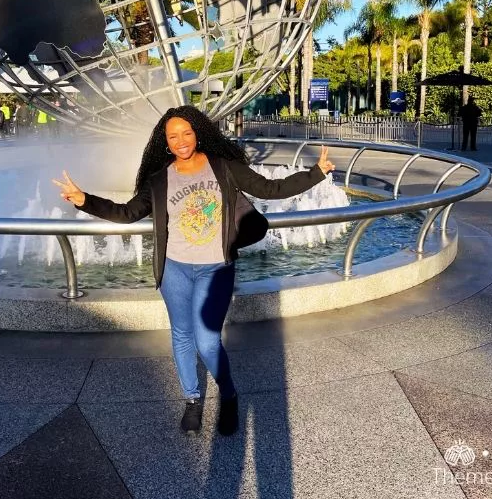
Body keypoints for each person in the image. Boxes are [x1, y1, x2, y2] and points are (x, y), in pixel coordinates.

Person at [53, 106, 334, 437]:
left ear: (198, 132)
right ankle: (192, 399)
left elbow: (269, 189)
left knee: (207, 339)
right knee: (182, 335)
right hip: (175, 269)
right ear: (165, 142)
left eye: (186, 133)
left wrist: (315, 172)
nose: (181, 141)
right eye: (173, 136)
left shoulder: (223, 168)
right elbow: (128, 212)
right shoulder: (160, 180)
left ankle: (228, 394)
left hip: (214, 268)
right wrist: (84, 199)